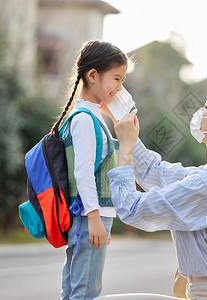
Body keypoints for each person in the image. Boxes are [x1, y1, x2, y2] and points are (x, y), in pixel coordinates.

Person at [107, 81, 207, 300]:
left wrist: (125, 150)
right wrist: (120, 115)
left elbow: (132, 209)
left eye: (206, 108)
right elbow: (155, 172)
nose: (200, 113)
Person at [53, 40, 128, 300]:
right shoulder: (85, 119)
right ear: (93, 75)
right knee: (86, 292)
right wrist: (95, 218)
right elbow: (83, 173)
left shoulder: (90, 116)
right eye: (116, 79)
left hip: (87, 215)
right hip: (88, 215)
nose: (120, 88)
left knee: (75, 289)